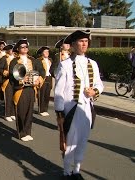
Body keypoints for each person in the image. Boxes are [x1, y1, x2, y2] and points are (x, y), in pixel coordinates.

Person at [54, 30, 104, 179]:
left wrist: (94, 91)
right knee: (70, 142)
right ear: (74, 45)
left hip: (87, 109)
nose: (84, 44)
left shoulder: (93, 64)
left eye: (86, 41)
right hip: (71, 110)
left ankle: (76, 170)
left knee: (82, 140)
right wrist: (59, 114)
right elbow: (58, 92)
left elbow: (99, 84)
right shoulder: (65, 65)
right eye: (81, 41)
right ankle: (66, 172)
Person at [9, 39, 41, 142]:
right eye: (22, 47)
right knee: (21, 112)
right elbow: (11, 77)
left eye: (26, 47)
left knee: (29, 111)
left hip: (31, 88)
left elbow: (40, 71)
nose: (25, 48)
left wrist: (38, 80)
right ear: (18, 49)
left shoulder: (32, 60)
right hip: (20, 89)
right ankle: (21, 132)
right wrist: (21, 81)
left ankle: (28, 131)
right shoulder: (14, 61)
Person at [0, 44, 16, 122]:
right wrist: (4, 72)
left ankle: (12, 113)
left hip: (15, 80)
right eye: (11, 50)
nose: (12, 51)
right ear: (8, 51)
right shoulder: (4, 58)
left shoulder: (16, 58)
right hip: (7, 80)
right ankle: (7, 114)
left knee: (14, 97)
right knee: (8, 98)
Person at [36, 46, 53, 116]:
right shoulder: (38, 60)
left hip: (49, 77)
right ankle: (41, 110)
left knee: (47, 94)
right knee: (41, 94)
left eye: (48, 51)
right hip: (42, 78)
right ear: (42, 53)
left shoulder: (50, 60)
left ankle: (45, 109)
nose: (47, 53)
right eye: (45, 52)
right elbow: (37, 70)